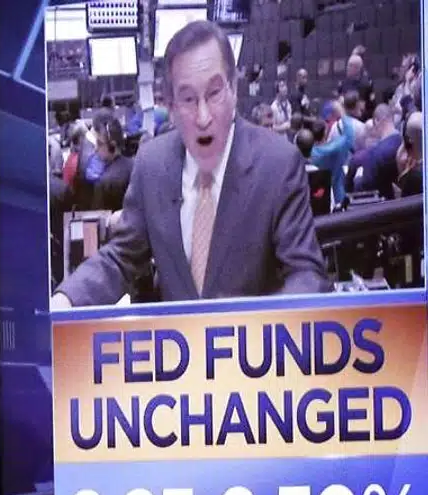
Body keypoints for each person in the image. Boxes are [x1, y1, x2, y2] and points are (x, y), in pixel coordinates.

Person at [50, 20, 330, 308]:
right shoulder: (151, 165)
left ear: (233, 89)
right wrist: (66, 300)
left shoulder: (278, 164)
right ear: (170, 106)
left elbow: (307, 275)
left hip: (258, 337)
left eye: (214, 93)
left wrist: (260, 324)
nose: (203, 117)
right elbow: (121, 257)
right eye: (188, 99)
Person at [311, 102, 353, 206]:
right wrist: (342, 113)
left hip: (318, 198)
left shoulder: (309, 152)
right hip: (338, 195)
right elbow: (349, 136)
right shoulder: (335, 147)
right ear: (325, 132)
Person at [93, 117, 133, 210]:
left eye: (99, 143)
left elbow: (99, 216)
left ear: (112, 146)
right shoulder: (135, 166)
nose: (96, 149)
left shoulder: (104, 183)